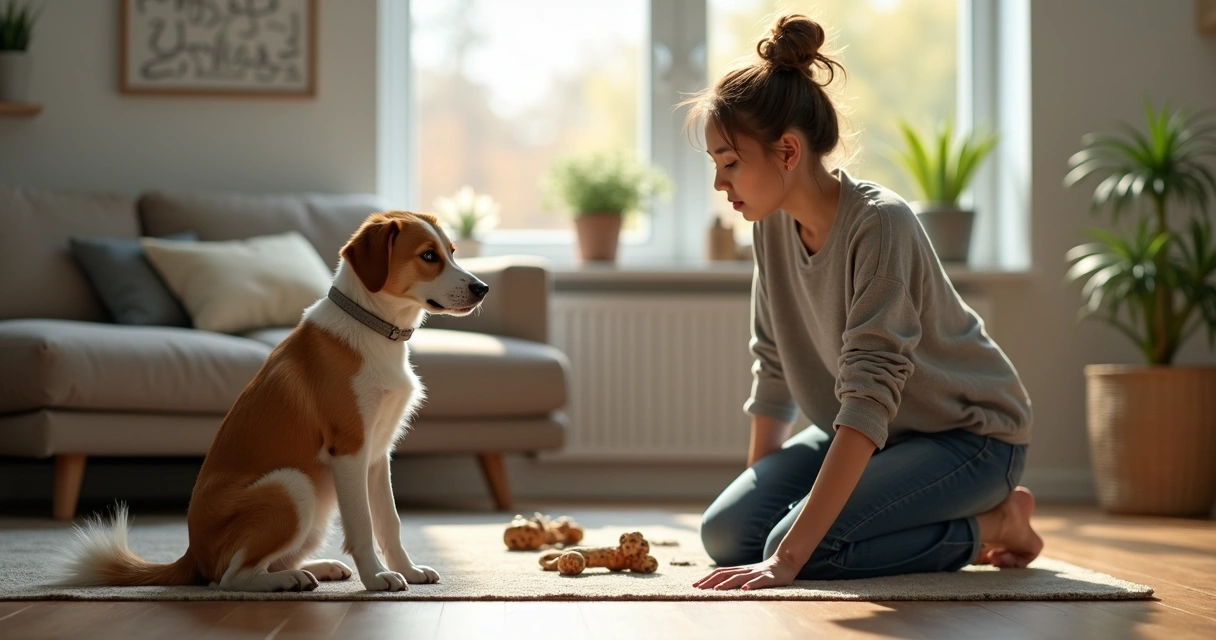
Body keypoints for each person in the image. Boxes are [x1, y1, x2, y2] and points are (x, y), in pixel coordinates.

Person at [686, 14, 1041, 592]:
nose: (721, 184)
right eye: (715, 165)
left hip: (967, 437)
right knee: (730, 535)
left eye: (729, 162)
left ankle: (995, 523)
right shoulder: (769, 227)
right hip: (866, 433)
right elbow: (773, 362)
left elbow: (871, 393)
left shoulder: (881, 225)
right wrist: (760, 494)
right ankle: (802, 530)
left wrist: (785, 555)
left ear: (788, 151)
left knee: (797, 551)